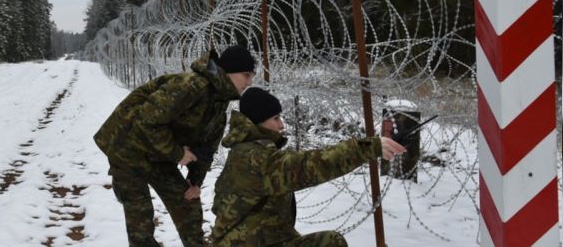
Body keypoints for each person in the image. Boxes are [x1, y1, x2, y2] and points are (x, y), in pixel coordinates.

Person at [94, 46, 257, 246]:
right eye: (246, 75)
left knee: (187, 203)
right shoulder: (190, 86)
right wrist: (178, 153)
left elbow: (206, 149)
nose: (250, 82)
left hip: (159, 153)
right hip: (127, 148)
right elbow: (147, 120)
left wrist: (195, 181)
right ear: (229, 71)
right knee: (140, 218)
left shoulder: (218, 105)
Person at [211, 87, 406, 247]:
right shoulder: (256, 158)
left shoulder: (244, 150)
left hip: (254, 240)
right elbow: (312, 165)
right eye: (276, 118)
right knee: (331, 243)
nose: (281, 125)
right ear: (258, 121)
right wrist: (368, 148)